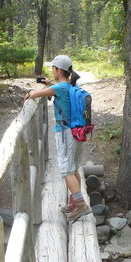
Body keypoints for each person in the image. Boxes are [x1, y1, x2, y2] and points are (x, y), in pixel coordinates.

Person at [24, 55, 91, 222]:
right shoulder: (70, 85)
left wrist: (31, 92)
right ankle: (75, 201)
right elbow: (57, 90)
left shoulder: (60, 88)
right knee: (73, 167)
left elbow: (35, 94)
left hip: (65, 133)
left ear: (59, 70)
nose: (52, 71)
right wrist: (49, 85)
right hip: (76, 130)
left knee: (66, 170)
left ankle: (81, 205)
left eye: (53, 68)